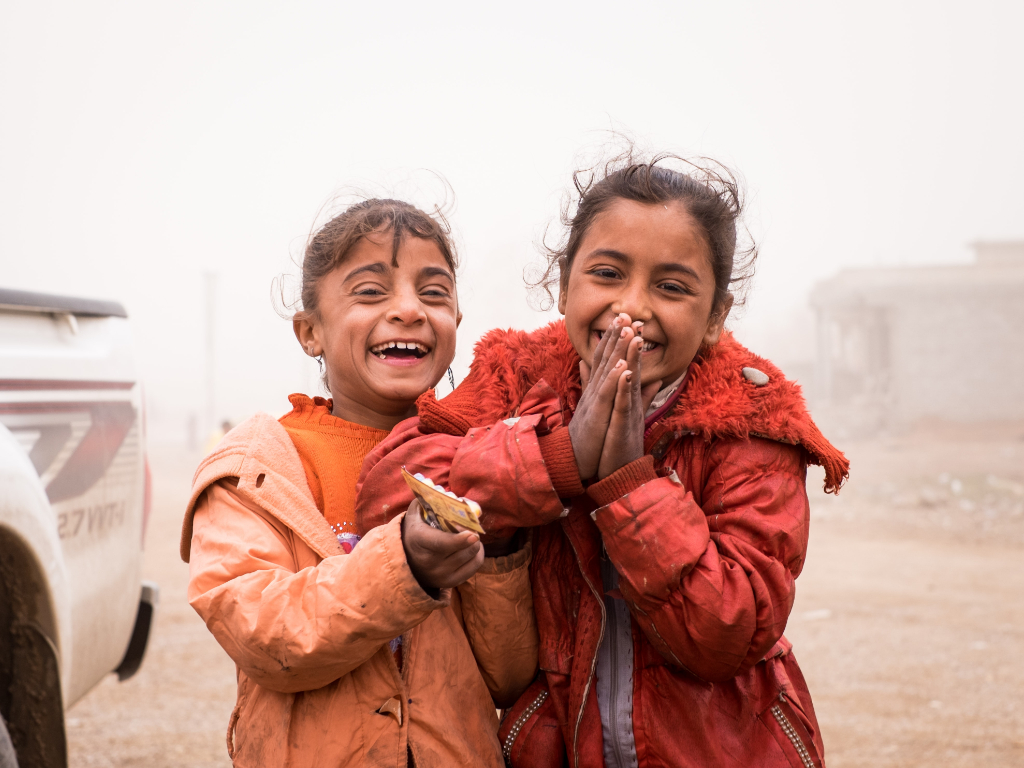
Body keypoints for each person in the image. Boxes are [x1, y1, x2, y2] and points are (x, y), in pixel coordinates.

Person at [356, 154, 849, 767]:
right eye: (608, 273)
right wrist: (558, 458)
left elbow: (729, 630)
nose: (631, 307)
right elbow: (390, 488)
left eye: (671, 286)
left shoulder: (752, 424)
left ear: (716, 317)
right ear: (564, 287)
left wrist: (627, 485)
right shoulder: (516, 377)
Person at [179, 198, 538, 767]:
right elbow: (262, 635)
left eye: (434, 292)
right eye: (370, 291)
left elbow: (509, 676)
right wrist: (406, 566)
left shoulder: (475, 458)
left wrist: (499, 546)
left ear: (456, 323)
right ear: (310, 332)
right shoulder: (262, 465)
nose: (408, 310)